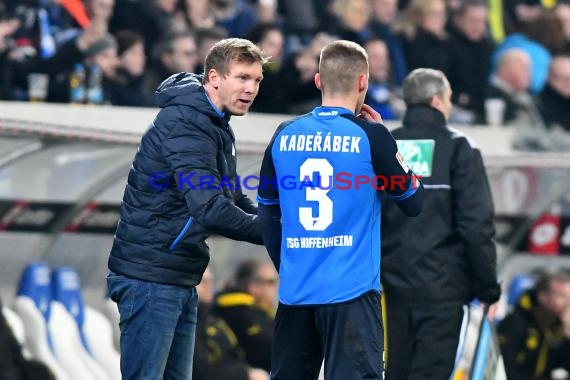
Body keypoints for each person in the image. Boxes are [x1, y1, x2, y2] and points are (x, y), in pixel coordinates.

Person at [256, 40, 425, 380]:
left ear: (318, 81)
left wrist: (288, 266)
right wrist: (385, 139)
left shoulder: (283, 134)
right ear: (364, 82)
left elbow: (267, 214)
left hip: (296, 294)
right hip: (352, 294)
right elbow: (413, 202)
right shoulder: (371, 136)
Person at [106, 38, 265, 380]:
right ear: (214, 77)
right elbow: (209, 207)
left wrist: (274, 224)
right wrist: (274, 231)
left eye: (256, 80)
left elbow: (233, 196)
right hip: (150, 276)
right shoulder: (187, 124)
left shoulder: (215, 124)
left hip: (177, 274)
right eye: (242, 78)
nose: (251, 88)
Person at [380, 68, 501, 380]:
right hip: (442, 292)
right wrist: (487, 286)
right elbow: (476, 225)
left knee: (394, 373)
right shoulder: (460, 148)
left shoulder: (383, 146)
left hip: (388, 289)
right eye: (448, 100)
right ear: (437, 101)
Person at [193, 268, 269, 380]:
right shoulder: (189, 324)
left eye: (211, 281)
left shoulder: (214, 318)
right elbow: (201, 369)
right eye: (203, 281)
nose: (208, 286)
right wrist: (246, 375)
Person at [498, 272, 570, 380]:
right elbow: (503, 369)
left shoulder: (556, 327)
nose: (567, 303)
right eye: (562, 296)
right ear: (543, 296)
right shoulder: (516, 322)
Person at [212, 259, 277, 372]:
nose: (276, 287)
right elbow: (271, 351)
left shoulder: (255, 313)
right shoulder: (243, 315)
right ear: (253, 286)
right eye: (271, 282)